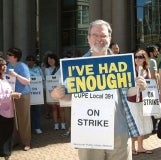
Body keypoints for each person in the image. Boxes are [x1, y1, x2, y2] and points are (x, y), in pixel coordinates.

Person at [50, 19, 147, 160]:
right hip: (89, 134)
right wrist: (57, 95)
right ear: (88, 38)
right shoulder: (75, 67)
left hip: (118, 132)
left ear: (110, 38)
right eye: (95, 35)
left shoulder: (121, 64)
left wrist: (138, 87)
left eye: (103, 35)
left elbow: (127, 92)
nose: (99, 39)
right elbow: (68, 98)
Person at [6, 47, 31, 151]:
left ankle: (26, 142)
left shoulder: (22, 66)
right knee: (12, 119)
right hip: (11, 94)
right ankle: (14, 140)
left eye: (9, 54)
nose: (7, 56)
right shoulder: (7, 66)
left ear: (15, 57)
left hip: (22, 95)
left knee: (23, 119)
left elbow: (27, 81)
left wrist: (16, 75)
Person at [128, 49, 153, 155]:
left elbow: (151, 85)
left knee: (142, 123)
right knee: (134, 124)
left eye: (140, 57)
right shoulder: (130, 70)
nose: (138, 59)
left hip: (143, 100)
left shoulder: (146, 70)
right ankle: (132, 148)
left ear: (144, 59)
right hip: (132, 100)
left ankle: (140, 147)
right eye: (136, 57)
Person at [0, 57, 21, 160]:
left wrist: (12, 94)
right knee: (2, 135)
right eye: (2, 65)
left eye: (5, 65)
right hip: (1, 113)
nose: (4, 67)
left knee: (8, 135)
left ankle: (7, 156)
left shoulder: (4, 77)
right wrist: (11, 95)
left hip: (9, 112)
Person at [44, 52, 66, 130]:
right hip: (51, 91)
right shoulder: (46, 69)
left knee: (61, 108)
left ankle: (63, 123)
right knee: (54, 108)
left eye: (51, 59)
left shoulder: (60, 68)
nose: (50, 60)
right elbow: (47, 80)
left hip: (59, 90)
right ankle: (56, 124)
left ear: (55, 59)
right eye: (48, 59)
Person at [25, 55, 45, 134]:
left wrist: (43, 89)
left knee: (37, 110)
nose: (31, 61)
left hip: (37, 93)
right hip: (27, 92)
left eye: (32, 60)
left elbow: (42, 79)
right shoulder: (24, 69)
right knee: (27, 111)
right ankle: (28, 128)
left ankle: (37, 127)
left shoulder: (38, 69)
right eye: (29, 60)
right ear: (26, 61)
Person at [146, 45, 160, 134]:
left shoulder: (145, 60)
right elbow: (154, 76)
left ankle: (148, 127)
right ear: (151, 53)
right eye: (155, 51)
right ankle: (153, 127)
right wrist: (158, 88)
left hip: (145, 87)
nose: (157, 52)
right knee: (153, 108)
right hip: (152, 87)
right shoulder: (152, 61)